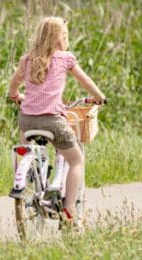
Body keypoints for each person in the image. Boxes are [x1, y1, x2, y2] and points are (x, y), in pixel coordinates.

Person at [7, 16, 106, 226]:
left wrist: (16, 96)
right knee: (76, 160)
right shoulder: (65, 59)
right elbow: (85, 81)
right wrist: (99, 96)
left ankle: (27, 178)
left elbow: (13, 86)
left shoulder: (27, 60)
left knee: (25, 148)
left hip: (26, 120)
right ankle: (69, 211)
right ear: (60, 39)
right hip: (53, 121)